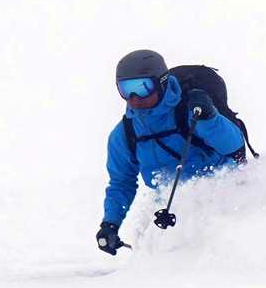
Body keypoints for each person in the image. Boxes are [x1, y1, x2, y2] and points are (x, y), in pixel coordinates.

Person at [96, 49, 248, 255]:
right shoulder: (125, 133)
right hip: (170, 209)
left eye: (142, 87)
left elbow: (233, 146)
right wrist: (110, 225)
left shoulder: (192, 111)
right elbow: (122, 182)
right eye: (125, 89)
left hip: (225, 198)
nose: (133, 98)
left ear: (161, 83)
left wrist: (209, 117)